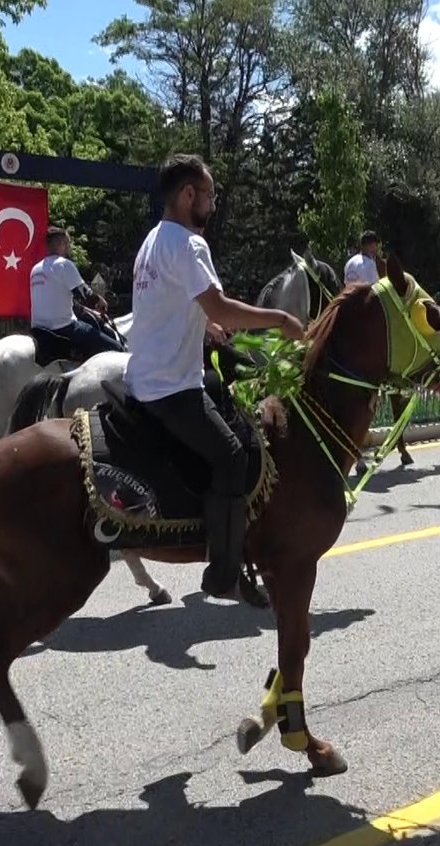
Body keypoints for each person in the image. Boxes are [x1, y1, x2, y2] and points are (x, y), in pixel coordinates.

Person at [124, 153, 304, 598]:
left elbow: (173, 304)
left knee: (220, 389)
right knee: (233, 458)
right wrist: (281, 319)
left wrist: (207, 327)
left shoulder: (152, 242)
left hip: (146, 377)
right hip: (169, 388)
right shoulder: (189, 244)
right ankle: (223, 574)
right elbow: (220, 304)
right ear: (188, 195)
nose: (213, 203)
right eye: (209, 194)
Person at [29, 226, 125, 362]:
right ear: (61, 243)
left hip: (38, 329)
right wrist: (99, 301)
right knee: (116, 349)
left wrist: (86, 310)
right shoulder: (64, 265)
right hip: (63, 328)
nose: (68, 247)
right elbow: (84, 294)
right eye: (67, 243)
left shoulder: (35, 269)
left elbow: (59, 299)